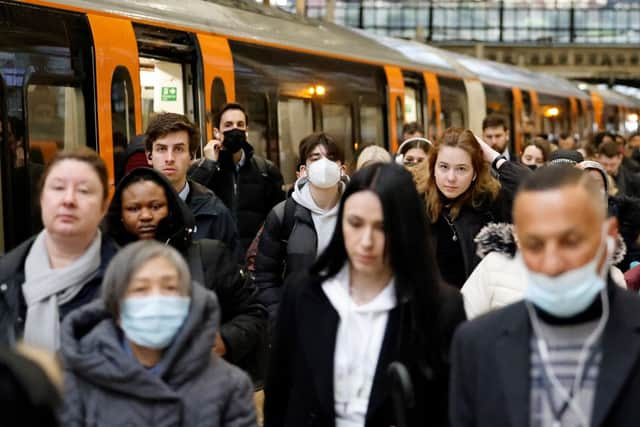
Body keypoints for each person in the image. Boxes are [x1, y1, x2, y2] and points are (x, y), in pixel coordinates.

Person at [264, 163, 465, 427]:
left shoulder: (440, 308)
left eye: (382, 227)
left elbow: (448, 410)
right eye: (355, 223)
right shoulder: (303, 293)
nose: (366, 241)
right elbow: (278, 395)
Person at [450, 166, 640, 427]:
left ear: (606, 237)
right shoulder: (477, 346)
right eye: (535, 245)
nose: (551, 263)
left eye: (570, 241)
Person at [60, 241, 257, 426]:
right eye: (140, 289)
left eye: (169, 288)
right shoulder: (79, 380)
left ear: (188, 301)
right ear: (116, 307)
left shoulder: (229, 386)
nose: (156, 301)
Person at [103, 167, 266, 375]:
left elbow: (254, 312)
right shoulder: (107, 265)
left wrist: (225, 340)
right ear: (121, 216)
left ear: (171, 208)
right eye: (134, 209)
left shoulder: (209, 256)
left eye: (156, 206)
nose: (145, 216)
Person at [0, 148, 118, 351]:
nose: (68, 200)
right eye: (58, 188)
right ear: (42, 199)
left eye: (83, 190)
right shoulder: (6, 276)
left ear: (104, 206)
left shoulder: (128, 281)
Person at [255, 133, 346, 323]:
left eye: (330, 158)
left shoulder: (358, 213)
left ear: (342, 169)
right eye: (315, 158)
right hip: (301, 321)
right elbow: (265, 276)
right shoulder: (284, 215)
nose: (323, 164)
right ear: (304, 170)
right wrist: (281, 317)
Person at [425, 127, 529, 288]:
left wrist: (494, 157)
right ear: (433, 167)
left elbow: (533, 189)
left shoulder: (488, 203)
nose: (451, 178)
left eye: (461, 169)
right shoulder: (416, 201)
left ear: (474, 173)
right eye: (444, 167)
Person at [189, 103, 285, 256]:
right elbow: (188, 203)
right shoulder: (201, 168)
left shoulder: (266, 171)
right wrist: (209, 165)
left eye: (240, 125)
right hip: (215, 258)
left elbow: (279, 218)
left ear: (246, 131)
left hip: (255, 259)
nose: (235, 129)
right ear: (217, 132)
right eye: (228, 125)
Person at [144, 112, 239, 256]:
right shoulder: (133, 211)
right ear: (149, 156)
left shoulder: (214, 213)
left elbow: (232, 271)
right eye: (162, 149)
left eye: (178, 149)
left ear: (192, 156)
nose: (169, 158)